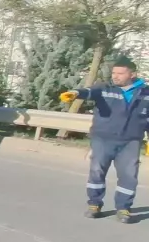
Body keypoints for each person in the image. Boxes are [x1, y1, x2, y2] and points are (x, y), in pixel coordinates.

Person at [60, 57, 147, 224]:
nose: (115, 76)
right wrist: (76, 93)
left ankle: (123, 208)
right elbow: (88, 91)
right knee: (97, 172)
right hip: (103, 139)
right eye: (114, 72)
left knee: (129, 176)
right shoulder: (104, 88)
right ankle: (94, 205)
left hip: (130, 142)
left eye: (120, 73)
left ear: (133, 74)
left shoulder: (146, 93)